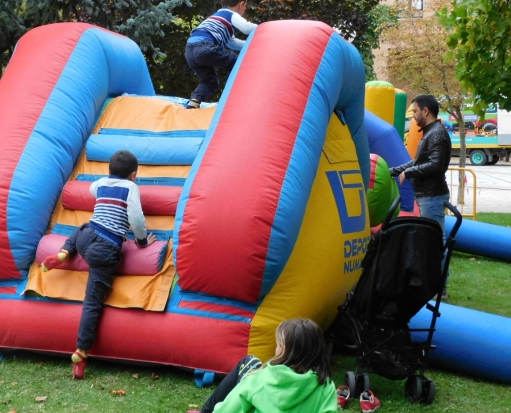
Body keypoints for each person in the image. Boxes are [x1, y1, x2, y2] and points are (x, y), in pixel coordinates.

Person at [41, 150, 156, 379]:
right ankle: (82, 351)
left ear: (109, 171)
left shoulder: (102, 183)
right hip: (105, 248)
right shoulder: (131, 188)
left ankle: (64, 252)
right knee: (92, 302)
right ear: (133, 175)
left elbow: (93, 190)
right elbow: (135, 218)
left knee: (85, 226)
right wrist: (142, 241)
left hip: (86, 237)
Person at [191, 318, 345, 413]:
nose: (275, 349)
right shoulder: (325, 387)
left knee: (248, 362)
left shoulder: (259, 380)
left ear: (285, 351)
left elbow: (226, 410)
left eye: (278, 345)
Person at [390, 94, 452, 298]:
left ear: (426, 111)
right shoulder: (430, 132)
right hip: (428, 195)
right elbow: (417, 162)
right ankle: (435, 284)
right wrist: (394, 170)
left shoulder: (436, 134)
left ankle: (439, 287)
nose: (414, 116)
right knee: (432, 239)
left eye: (415, 111)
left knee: (435, 239)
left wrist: (408, 173)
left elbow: (434, 165)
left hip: (432, 196)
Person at [184, 0, 258, 109]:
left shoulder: (216, 18)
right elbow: (247, 28)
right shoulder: (231, 14)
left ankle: (195, 100)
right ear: (241, 5)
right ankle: (240, 96)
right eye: (245, 6)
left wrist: (252, 44)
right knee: (236, 63)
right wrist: (264, 30)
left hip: (190, 51)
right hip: (205, 46)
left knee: (211, 82)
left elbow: (232, 43)